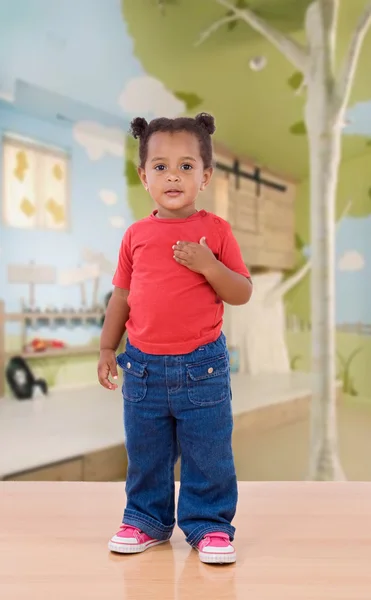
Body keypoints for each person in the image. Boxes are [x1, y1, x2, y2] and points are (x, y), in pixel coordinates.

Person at [97, 112, 253, 564]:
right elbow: (121, 296)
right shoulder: (136, 235)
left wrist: (208, 265)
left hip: (202, 366)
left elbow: (241, 291)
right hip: (142, 367)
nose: (173, 175)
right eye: (161, 166)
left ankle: (209, 527)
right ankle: (146, 520)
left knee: (208, 451)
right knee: (146, 452)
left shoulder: (217, 231)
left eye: (186, 166)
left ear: (205, 176)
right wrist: (108, 346)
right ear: (143, 175)